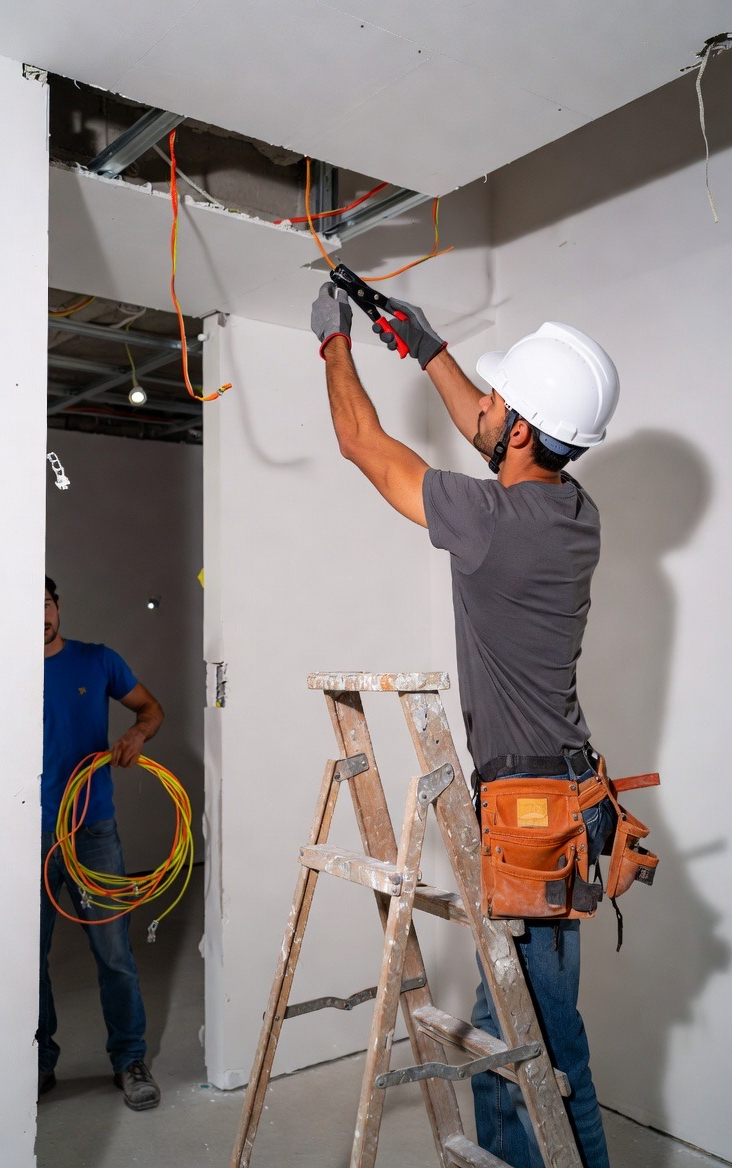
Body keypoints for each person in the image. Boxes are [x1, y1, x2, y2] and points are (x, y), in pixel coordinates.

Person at [310, 283, 620, 1168]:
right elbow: (502, 437)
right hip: (559, 794)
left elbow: (362, 445)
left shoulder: (495, 525)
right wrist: (431, 348)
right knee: (505, 1034)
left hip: (532, 819)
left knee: (553, 1052)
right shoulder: (569, 512)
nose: (477, 413)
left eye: (491, 404)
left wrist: (334, 343)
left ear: (519, 429)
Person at [39, 575, 165, 1111]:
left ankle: (129, 1060)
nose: (39, 615)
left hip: (93, 832)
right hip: (32, 834)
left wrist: (137, 735)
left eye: (44, 603)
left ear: (59, 606)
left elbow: (150, 709)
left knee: (113, 953)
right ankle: (38, 1062)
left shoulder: (97, 660)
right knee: (29, 958)